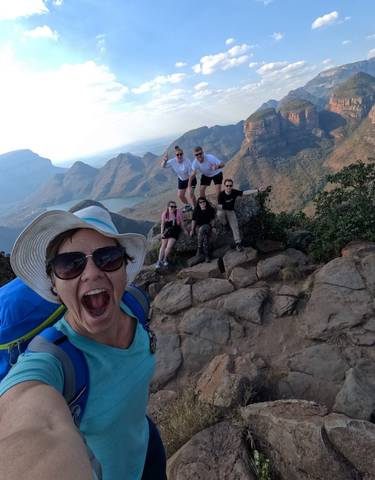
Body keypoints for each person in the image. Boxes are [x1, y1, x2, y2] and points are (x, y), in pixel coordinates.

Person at [0, 204, 166, 480]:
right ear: (54, 283)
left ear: (124, 269)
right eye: (70, 265)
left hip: (149, 449)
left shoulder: (135, 304)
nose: (91, 273)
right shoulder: (53, 358)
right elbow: (28, 423)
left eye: (108, 258)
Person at [217, 178, 262, 251]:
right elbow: (219, 206)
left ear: (232, 186)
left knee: (235, 226)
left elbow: (245, 192)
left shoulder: (234, 192)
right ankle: (225, 224)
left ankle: (238, 243)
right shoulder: (221, 194)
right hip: (223, 210)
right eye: (227, 185)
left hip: (231, 211)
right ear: (224, 186)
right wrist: (226, 207)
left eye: (230, 186)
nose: (229, 187)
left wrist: (257, 190)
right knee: (219, 213)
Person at [161, 145, 196, 210]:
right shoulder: (173, 161)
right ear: (175, 155)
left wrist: (189, 186)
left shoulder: (187, 161)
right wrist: (165, 160)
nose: (179, 156)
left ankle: (195, 207)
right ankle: (188, 205)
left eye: (181, 154)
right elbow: (163, 166)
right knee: (180, 195)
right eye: (177, 155)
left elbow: (190, 175)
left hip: (191, 179)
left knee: (191, 194)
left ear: (183, 154)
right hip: (182, 179)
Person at [156, 200, 185, 269]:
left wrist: (185, 230)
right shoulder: (165, 214)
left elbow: (181, 222)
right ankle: (159, 261)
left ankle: (164, 259)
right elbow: (162, 224)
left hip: (175, 230)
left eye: (175, 207)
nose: (173, 208)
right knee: (163, 245)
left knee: (169, 246)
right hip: (167, 230)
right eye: (171, 206)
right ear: (168, 207)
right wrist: (162, 233)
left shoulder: (178, 212)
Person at [190, 197, 217, 262]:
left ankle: (199, 248)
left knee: (203, 228)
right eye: (200, 202)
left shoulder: (210, 209)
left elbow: (213, 219)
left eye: (203, 201)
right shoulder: (196, 210)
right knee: (205, 237)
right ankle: (207, 256)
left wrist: (213, 227)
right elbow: (193, 220)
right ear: (198, 203)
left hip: (207, 226)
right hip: (198, 227)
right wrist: (192, 230)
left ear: (206, 202)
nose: (202, 203)